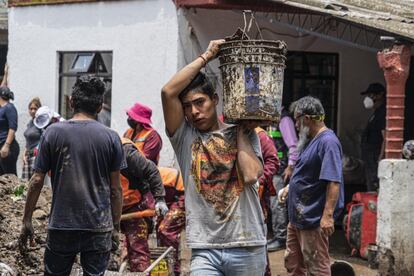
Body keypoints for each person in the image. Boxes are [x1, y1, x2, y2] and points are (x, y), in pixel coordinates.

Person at [161, 39, 267, 276]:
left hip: (246, 245)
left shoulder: (246, 132)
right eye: (187, 106)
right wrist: (207, 56)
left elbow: (250, 175)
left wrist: (240, 128)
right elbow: (168, 92)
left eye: (200, 102)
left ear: (215, 100)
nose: (194, 112)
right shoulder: (184, 138)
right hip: (204, 249)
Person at [19, 76, 125, 276]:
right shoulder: (111, 138)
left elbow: (36, 181)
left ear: (71, 102)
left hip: (62, 225)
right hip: (98, 227)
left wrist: (27, 220)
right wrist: (115, 226)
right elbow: (116, 190)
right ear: (100, 107)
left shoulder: (52, 133)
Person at [279, 96, 343, 275]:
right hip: (298, 217)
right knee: (293, 264)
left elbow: (333, 180)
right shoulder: (311, 141)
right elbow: (307, 174)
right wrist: (290, 188)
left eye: (297, 121)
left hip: (313, 218)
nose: (296, 126)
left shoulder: (328, 142)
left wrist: (328, 216)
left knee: (317, 267)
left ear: (306, 118)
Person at [119, 137, 167, 272]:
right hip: (114, 205)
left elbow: (151, 170)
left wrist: (160, 199)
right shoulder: (93, 153)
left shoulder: (125, 151)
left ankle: (141, 272)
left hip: (136, 202)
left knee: (137, 249)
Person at [267, 107, 299, 252]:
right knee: (274, 204)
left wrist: (291, 166)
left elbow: (293, 145)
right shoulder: (271, 119)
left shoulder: (284, 120)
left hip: (281, 169)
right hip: (273, 169)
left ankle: (281, 238)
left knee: (278, 204)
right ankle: (277, 236)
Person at [254, 127, 279, 276]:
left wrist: (258, 180)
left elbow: (273, 161)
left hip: (254, 199)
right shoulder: (222, 130)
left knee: (258, 241)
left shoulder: (259, 134)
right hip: (228, 202)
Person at [157, 166, 186, 276]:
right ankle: (164, 268)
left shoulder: (141, 176)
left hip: (184, 193)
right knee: (159, 229)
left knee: (165, 230)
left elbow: (149, 207)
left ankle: (174, 269)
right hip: (171, 196)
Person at [360, 82, 386, 191]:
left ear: (380, 95)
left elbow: (386, 137)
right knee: (370, 181)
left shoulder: (383, 113)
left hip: (375, 155)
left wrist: (381, 156)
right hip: (370, 155)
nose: (369, 98)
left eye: (372, 95)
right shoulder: (376, 113)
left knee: (374, 183)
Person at [0, 86, 19, 176]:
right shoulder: (2, 108)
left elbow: (12, 128)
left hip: (7, 146)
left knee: (10, 177)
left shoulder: (9, 108)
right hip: (1, 145)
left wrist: (6, 145)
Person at [22, 98, 42, 180]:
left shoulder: (41, 123)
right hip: (28, 156)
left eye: (35, 109)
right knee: (25, 183)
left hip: (36, 156)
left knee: (34, 182)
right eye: (31, 109)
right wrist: (23, 154)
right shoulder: (29, 123)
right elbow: (28, 141)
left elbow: (44, 139)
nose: (33, 111)